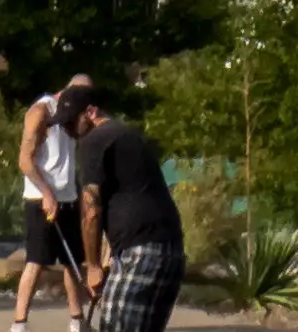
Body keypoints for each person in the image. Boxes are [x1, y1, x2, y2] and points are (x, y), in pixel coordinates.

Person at [76, 86, 188, 332]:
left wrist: (93, 267)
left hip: (141, 251)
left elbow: (91, 211)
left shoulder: (95, 139)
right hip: (170, 248)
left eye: (71, 124)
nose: (68, 132)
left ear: (91, 112)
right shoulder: (126, 134)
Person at [14, 81, 88, 326]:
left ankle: (77, 321)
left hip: (68, 197)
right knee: (36, 261)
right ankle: (19, 323)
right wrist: (46, 193)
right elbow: (25, 160)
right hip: (40, 198)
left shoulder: (74, 113)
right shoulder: (41, 111)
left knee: (72, 261)